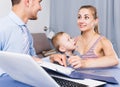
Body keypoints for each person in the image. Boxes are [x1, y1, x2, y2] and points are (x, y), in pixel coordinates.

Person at [51, 5, 119, 69]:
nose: (81, 21)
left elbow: (114, 59)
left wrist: (85, 63)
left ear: (95, 20)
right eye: (79, 17)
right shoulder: (74, 41)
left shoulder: (103, 41)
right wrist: (54, 56)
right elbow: (62, 51)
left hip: (96, 80)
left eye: (86, 17)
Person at [0, 0, 64, 63]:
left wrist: (50, 59)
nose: (40, 8)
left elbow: (33, 62)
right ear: (28, 2)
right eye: (39, 2)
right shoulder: (2, 28)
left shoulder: (26, 32)